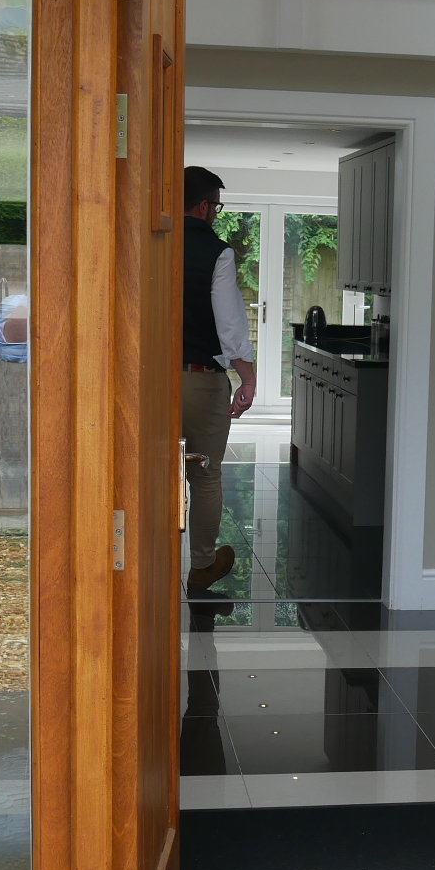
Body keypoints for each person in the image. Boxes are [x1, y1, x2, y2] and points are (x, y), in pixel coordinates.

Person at [181, 166, 256, 591]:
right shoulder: (217, 253)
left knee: (143, 473)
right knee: (204, 474)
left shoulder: (147, 242)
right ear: (205, 207)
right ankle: (202, 567)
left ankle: (141, 567)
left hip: (144, 383)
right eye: (216, 206)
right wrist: (248, 380)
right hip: (199, 380)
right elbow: (230, 327)